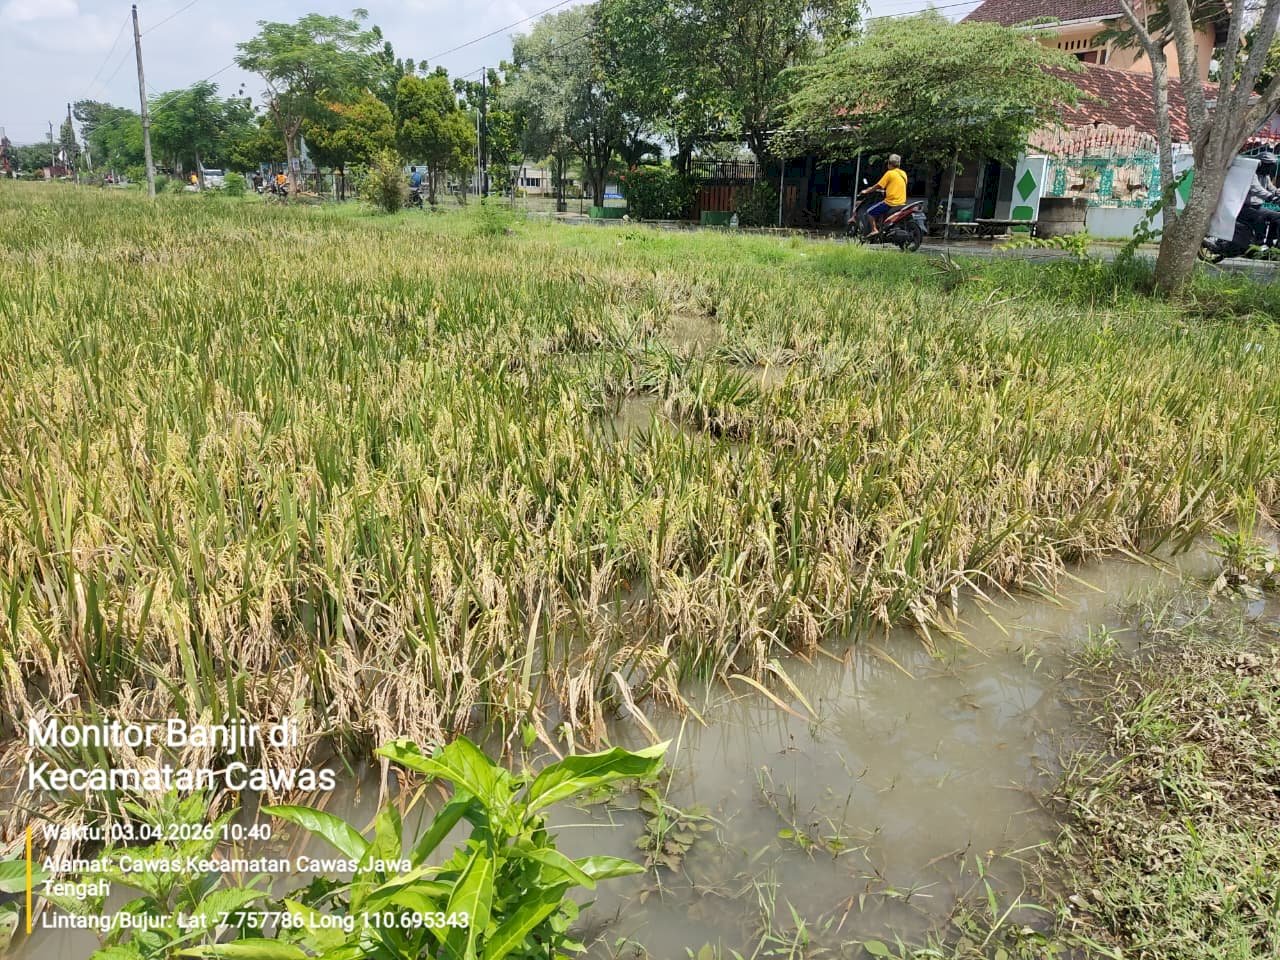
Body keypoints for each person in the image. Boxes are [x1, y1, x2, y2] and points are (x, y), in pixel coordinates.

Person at [852, 153, 908, 238]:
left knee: (869, 212)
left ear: (889, 163)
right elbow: (895, 185)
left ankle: (874, 230)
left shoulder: (890, 173)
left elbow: (878, 185)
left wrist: (867, 191)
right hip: (902, 203)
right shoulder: (903, 174)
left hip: (891, 202)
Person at [1243, 152, 1280, 246]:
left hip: (1258, 206)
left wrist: (1277, 192)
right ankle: (1258, 241)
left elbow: (1271, 188)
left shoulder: (1265, 175)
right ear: (1260, 163)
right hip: (1246, 207)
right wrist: (1271, 197)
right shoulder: (1251, 174)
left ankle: (1270, 241)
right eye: (1268, 165)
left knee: (1277, 217)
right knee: (1260, 216)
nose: (1270, 168)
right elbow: (1257, 189)